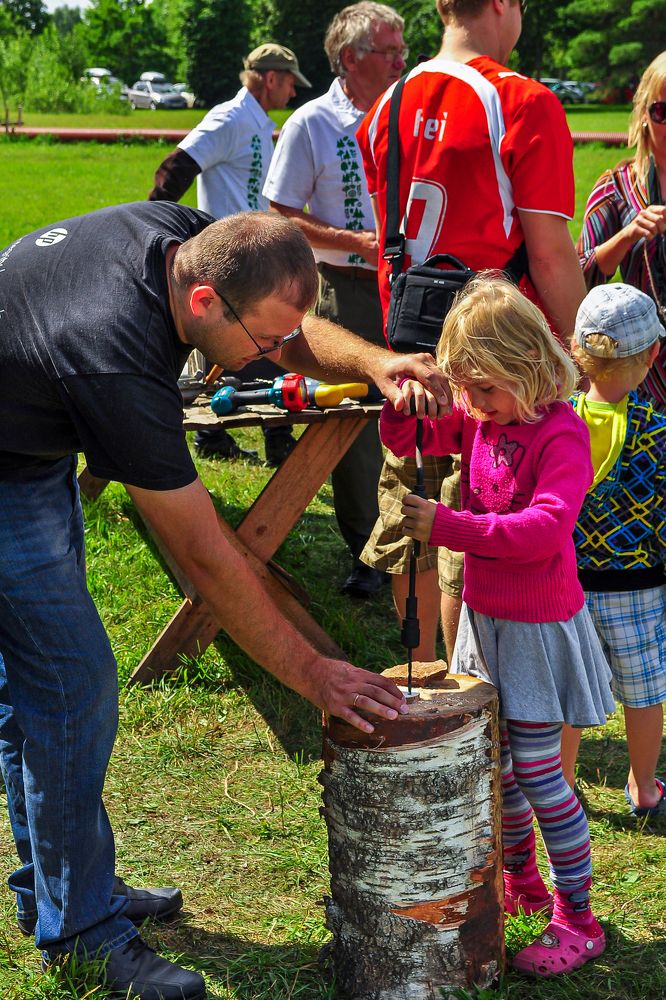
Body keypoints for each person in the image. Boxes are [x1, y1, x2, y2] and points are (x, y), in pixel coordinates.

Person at [0, 201, 449, 999]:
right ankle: (80, 932)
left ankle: (60, 888)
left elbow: (289, 317)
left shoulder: (195, 242)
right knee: (72, 688)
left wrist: (377, 362)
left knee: (35, 692)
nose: (278, 359)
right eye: (266, 346)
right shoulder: (113, 353)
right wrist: (315, 674)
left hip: (25, 435)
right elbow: (206, 557)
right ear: (202, 304)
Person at [382, 276, 614, 977]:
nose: (473, 405)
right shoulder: (485, 419)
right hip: (485, 622)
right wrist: (406, 410)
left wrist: (450, 526)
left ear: (526, 365)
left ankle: (578, 917)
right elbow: (421, 433)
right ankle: (520, 884)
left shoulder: (561, 433)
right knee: (502, 770)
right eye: (465, 390)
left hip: (538, 628)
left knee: (543, 776)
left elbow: (545, 530)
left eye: (483, 388)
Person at [356, 0, 587, 660]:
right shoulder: (521, 100)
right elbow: (547, 252)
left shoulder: (388, 107)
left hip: (411, 357)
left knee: (411, 516)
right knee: (475, 526)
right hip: (501, 365)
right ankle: (478, 702)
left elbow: (387, 243)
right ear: (503, 4)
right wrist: (582, 359)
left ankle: (422, 674)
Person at [263, 2, 407, 598]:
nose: (403, 61)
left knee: (412, 405)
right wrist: (355, 242)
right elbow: (281, 215)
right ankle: (370, 551)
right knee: (357, 421)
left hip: (404, 284)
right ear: (350, 59)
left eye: (404, 49)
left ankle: (423, 537)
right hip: (344, 289)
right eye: (390, 52)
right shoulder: (311, 124)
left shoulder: (409, 113)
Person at [149, 43, 312, 466]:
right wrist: (153, 227)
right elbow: (176, 166)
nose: (293, 91)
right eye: (291, 81)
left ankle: (246, 435)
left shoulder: (256, 122)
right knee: (256, 339)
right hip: (227, 253)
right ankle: (243, 434)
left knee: (260, 338)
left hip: (254, 249)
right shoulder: (230, 118)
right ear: (271, 78)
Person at [564, 284, 665, 818]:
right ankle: (643, 786)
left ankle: (559, 784)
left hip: (567, 585)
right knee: (644, 691)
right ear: (653, 354)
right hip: (639, 589)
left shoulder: (559, 421)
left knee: (571, 689)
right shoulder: (658, 430)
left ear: (577, 351)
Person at [578, 51, 666, 409]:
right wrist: (628, 234)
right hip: (636, 367)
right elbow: (580, 279)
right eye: (663, 112)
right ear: (644, 115)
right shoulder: (615, 186)